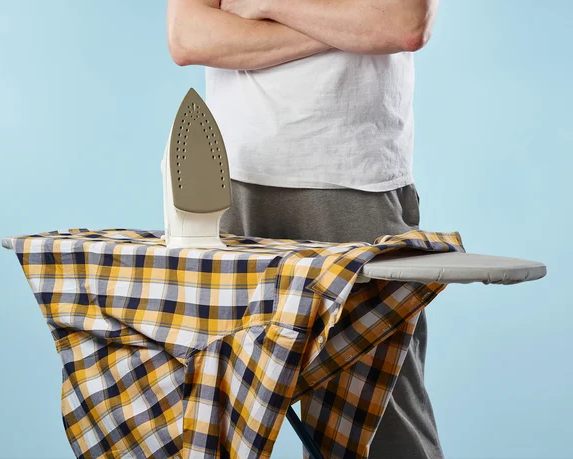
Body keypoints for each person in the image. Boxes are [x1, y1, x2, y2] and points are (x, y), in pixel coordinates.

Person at [166, 0, 441, 457]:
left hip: (356, 181)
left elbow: (405, 23)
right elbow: (188, 36)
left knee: (379, 416)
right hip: (229, 183)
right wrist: (348, 28)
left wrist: (264, 6)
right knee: (217, 409)